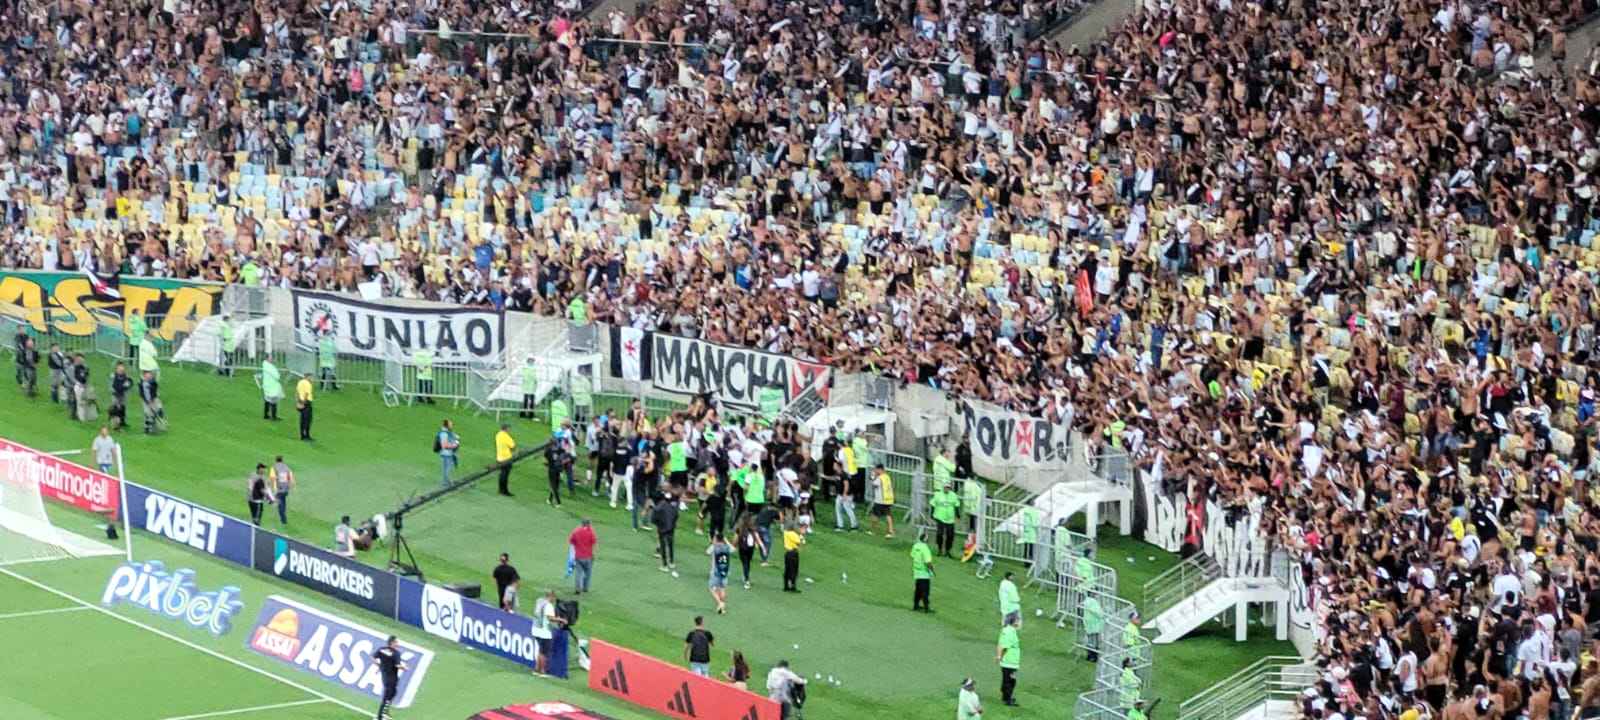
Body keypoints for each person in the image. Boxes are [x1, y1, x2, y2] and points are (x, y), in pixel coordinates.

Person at [531, 589, 567, 676]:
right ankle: (542, 671)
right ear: (550, 596)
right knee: (544, 652)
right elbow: (550, 618)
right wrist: (561, 619)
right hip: (544, 632)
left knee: (540, 650)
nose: (554, 599)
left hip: (535, 629)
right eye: (553, 597)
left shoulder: (539, 601)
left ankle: (536, 669)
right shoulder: (548, 606)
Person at [373, 635, 408, 720]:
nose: (397, 643)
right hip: (392, 677)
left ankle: (385, 712)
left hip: (385, 676)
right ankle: (380, 716)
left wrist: (379, 665)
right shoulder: (396, 653)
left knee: (393, 692)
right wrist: (405, 668)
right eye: (396, 642)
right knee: (387, 696)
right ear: (392, 643)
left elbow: (373, 657)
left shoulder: (381, 649)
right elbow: (397, 665)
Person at [733, 514, 766, 589]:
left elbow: (735, 538)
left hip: (742, 548)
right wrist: (763, 548)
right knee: (747, 563)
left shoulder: (739, 529)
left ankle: (746, 579)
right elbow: (758, 539)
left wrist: (734, 546)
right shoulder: (753, 529)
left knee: (744, 563)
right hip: (751, 548)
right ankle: (746, 576)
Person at [997, 615, 1021, 707]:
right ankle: (1007, 698)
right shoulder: (1009, 632)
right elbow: (1004, 646)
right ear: (1012, 621)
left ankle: (1005, 696)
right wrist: (1000, 656)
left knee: (1007, 680)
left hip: (1012, 662)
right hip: (1009, 662)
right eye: (1016, 619)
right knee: (1010, 681)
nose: (1018, 621)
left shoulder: (1011, 631)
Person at [653, 490, 680, 571]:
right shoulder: (673, 507)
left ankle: (664, 565)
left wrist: (658, 525)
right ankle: (671, 562)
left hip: (662, 528)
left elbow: (654, 518)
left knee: (663, 546)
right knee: (670, 545)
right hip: (671, 528)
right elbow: (676, 517)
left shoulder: (659, 506)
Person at [931, 483, 960, 557]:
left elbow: (956, 504)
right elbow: (933, 503)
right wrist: (932, 514)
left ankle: (947, 550)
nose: (946, 489)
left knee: (950, 535)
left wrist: (957, 514)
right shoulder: (938, 494)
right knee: (940, 534)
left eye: (948, 488)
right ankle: (939, 549)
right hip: (940, 517)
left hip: (950, 519)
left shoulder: (953, 495)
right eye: (945, 488)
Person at [866, 464, 895, 538]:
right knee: (887, 515)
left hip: (880, 500)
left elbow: (874, 485)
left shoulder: (880, 478)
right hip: (888, 499)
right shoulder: (887, 477)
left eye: (876, 470)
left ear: (880, 470)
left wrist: (873, 478)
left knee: (875, 515)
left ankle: (872, 530)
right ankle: (890, 530)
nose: (875, 471)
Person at [569, 519, 597, 594]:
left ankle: (578, 588)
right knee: (588, 573)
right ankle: (585, 587)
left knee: (578, 573)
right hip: (588, 556)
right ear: (588, 524)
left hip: (578, 556)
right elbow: (593, 542)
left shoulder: (576, 532)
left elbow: (571, 541)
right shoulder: (590, 532)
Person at [707, 532, 733, 613]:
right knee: (722, 588)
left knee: (712, 588)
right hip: (725, 572)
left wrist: (713, 543)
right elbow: (733, 549)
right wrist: (727, 541)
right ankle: (722, 608)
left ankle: (720, 603)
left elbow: (707, 552)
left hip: (715, 572)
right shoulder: (727, 548)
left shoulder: (714, 547)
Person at [911, 532, 935, 613]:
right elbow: (928, 562)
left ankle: (916, 605)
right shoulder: (925, 549)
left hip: (917, 571)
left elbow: (912, 555)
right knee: (925, 591)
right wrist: (932, 570)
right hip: (924, 573)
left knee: (918, 590)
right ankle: (926, 607)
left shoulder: (916, 546)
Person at [270, 455, 295, 525]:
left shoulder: (274, 468)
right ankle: (283, 516)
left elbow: (272, 477)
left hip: (279, 489)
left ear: (276, 460)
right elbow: (291, 478)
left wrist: (267, 484)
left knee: (279, 503)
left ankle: (283, 519)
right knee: (283, 500)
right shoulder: (287, 468)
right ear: (282, 460)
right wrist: (293, 488)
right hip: (286, 489)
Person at [107, 362, 133, 430]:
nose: (121, 369)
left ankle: (122, 422)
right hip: (115, 394)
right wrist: (114, 391)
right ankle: (114, 424)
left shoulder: (126, 376)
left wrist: (126, 388)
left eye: (122, 367)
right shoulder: (113, 376)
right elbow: (110, 386)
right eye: (119, 368)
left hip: (123, 394)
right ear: (116, 369)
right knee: (115, 408)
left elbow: (128, 384)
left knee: (122, 408)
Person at [435, 420, 460, 486]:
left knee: (448, 467)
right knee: (447, 468)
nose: (452, 426)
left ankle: (447, 481)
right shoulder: (444, 434)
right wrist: (454, 445)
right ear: (447, 425)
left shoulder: (447, 432)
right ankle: (446, 482)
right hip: (446, 453)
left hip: (449, 453)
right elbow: (444, 445)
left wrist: (456, 439)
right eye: (450, 425)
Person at [138, 370, 163, 434]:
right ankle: (148, 429)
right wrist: (147, 402)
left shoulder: (153, 383)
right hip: (146, 400)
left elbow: (154, 391)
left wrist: (152, 400)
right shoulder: (141, 383)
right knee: (148, 414)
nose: (149, 377)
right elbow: (141, 393)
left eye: (150, 375)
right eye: (147, 376)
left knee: (155, 411)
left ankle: (154, 426)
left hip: (153, 399)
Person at [781, 521, 803, 593]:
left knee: (787, 569)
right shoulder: (793, 534)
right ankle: (793, 586)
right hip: (793, 553)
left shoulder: (785, 533)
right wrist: (801, 535)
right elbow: (799, 542)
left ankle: (786, 585)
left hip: (787, 553)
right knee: (794, 570)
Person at [494, 424, 516, 496]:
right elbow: (513, 446)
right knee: (505, 475)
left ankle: (500, 489)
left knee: (501, 475)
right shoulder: (506, 437)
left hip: (499, 458)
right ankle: (504, 490)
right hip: (506, 458)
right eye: (508, 429)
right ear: (506, 429)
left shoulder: (498, 435)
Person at [295, 372, 314, 441]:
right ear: (308, 377)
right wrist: (304, 403)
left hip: (300, 400)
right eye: (311, 377)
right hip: (306, 402)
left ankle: (302, 435)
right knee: (307, 420)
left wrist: (298, 402)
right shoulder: (308, 384)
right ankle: (307, 435)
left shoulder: (300, 382)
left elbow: (297, 392)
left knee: (302, 419)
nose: (312, 379)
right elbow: (306, 394)